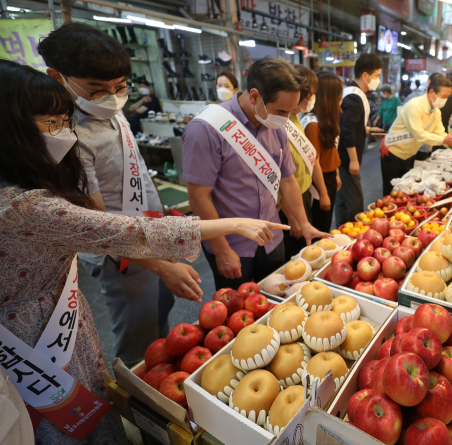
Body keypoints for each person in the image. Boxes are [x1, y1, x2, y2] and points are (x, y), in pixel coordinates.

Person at [0, 59, 286, 445]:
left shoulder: (29, 184)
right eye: (51, 123)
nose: (64, 133)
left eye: (63, 120)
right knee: (66, 421)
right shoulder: (22, 208)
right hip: (34, 340)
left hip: (58, 315)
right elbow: (128, 231)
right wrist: (231, 225)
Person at [38, 23, 203, 368]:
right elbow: (99, 226)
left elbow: (136, 167)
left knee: (162, 321)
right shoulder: (66, 140)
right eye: (96, 89)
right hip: (123, 257)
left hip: (149, 233)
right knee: (138, 341)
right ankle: (141, 411)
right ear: (57, 77)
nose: (111, 97)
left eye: (120, 87)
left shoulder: (110, 108)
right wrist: (162, 266)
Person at [183, 56, 326, 289]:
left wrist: (303, 221)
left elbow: (287, 181)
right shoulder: (206, 129)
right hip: (233, 244)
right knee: (236, 310)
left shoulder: (276, 125)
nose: (285, 119)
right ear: (254, 96)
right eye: (281, 110)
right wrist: (222, 251)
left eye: (291, 112)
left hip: (271, 238)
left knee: (275, 301)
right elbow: (199, 197)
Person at [380, 76, 452, 196]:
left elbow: (440, 134)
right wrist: (445, 139)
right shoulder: (414, 106)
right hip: (393, 154)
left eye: (447, 97)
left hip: (409, 155)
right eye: (443, 96)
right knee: (391, 194)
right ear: (431, 92)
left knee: (405, 192)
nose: (445, 100)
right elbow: (419, 135)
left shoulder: (436, 111)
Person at [334, 53, 384, 225]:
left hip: (342, 157)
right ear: (365, 75)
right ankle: (353, 234)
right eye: (376, 75)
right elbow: (347, 130)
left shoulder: (352, 92)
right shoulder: (354, 96)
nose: (378, 80)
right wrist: (354, 160)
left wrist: (368, 129)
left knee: (343, 199)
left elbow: (352, 125)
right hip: (347, 158)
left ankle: (342, 231)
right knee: (354, 201)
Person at [279, 65, 320, 260]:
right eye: (310, 94)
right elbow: (280, 179)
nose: (312, 99)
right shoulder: (277, 123)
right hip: (287, 204)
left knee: (304, 252)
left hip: (302, 194)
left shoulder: (294, 116)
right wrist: (292, 217)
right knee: (294, 257)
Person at [306, 72, 343, 233]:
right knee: (321, 226)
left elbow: (332, 150)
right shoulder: (313, 125)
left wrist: (336, 174)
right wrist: (323, 193)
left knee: (326, 223)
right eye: (339, 95)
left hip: (329, 177)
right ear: (330, 97)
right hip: (320, 182)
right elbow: (314, 163)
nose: (341, 99)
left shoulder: (328, 120)